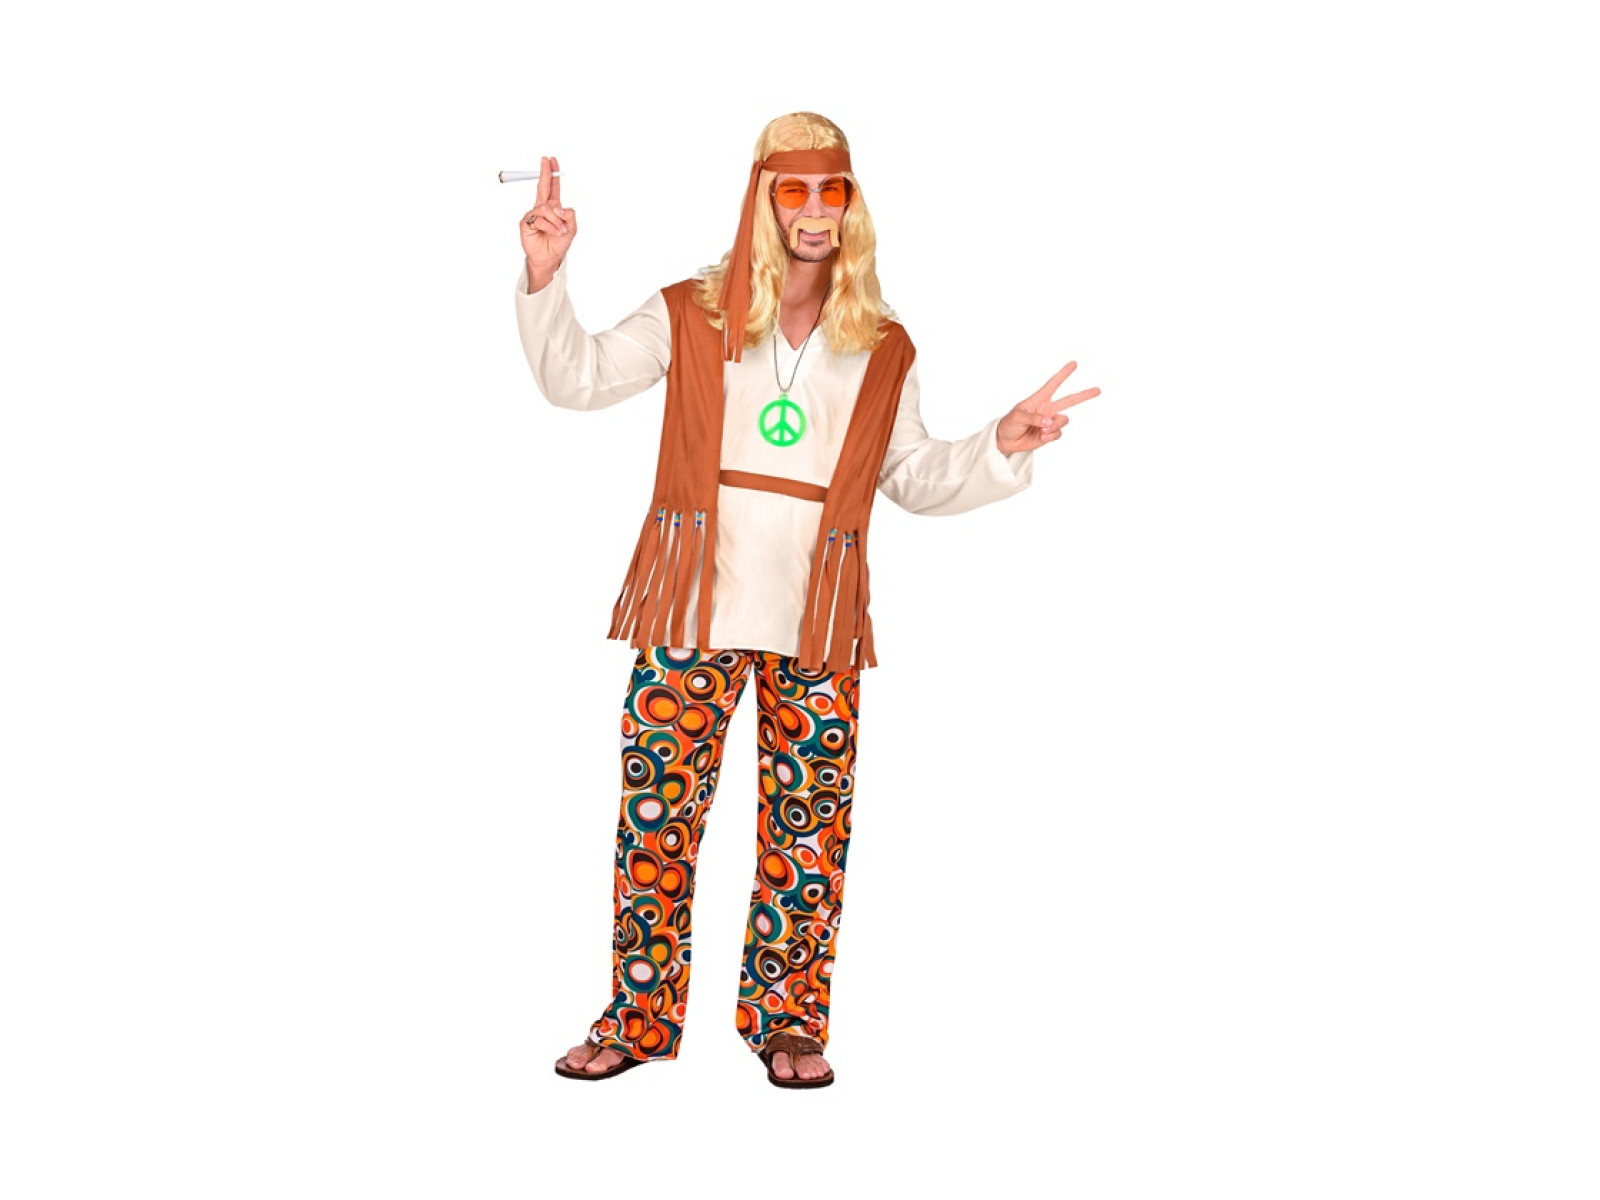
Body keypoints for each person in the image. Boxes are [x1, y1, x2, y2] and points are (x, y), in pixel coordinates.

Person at [514, 113, 1099, 1088]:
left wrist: (999, 444)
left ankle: (787, 1022)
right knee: (655, 821)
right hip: (691, 602)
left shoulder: (881, 344)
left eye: (833, 190)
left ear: (851, 204)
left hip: (817, 613)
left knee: (809, 830)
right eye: (795, 189)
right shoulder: (690, 311)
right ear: (763, 198)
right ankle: (638, 1018)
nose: (816, 209)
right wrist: (546, 275)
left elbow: (910, 476)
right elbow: (578, 380)